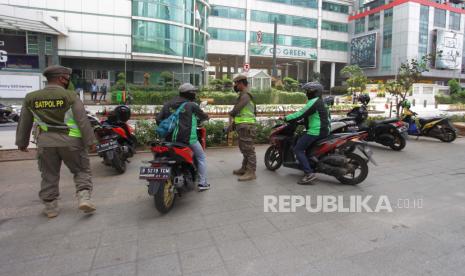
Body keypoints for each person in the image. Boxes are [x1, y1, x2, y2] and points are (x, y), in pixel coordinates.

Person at [15, 65, 97, 218]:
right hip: (72, 143)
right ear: (61, 78)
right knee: (81, 170)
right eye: (67, 78)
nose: (68, 81)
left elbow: (24, 122)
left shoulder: (31, 97)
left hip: (46, 144)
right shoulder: (71, 96)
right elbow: (82, 121)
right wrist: (90, 141)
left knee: (49, 174)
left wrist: (22, 142)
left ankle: (51, 207)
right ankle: (84, 199)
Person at [156, 83, 210, 191]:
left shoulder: (168, 104)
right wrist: (206, 117)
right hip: (187, 140)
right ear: (189, 93)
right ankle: (202, 183)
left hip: (168, 140)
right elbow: (203, 116)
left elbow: (158, 120)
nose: (195, 94)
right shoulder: (191, 105)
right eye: (193, 92)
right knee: (201, 157)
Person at [283, 82, 330, 185]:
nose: (306, 94)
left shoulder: (314, 101)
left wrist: (286, 118)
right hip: (323, 129)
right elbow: (314, 116)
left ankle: (309, 174)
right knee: (305, 147)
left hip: (316, 131)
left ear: (314, 92)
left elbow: (301, 113)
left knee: (298, 149)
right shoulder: (321, 102)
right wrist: (303, 122)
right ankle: (309, 164)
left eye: (308, 91)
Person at [228, 74, 257, 181]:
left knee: (249, 150)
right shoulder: (243, 95)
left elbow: (237, 109)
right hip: (244, 125)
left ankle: (251, 172)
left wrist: (231, 113)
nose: (235, 86)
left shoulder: (246, 95)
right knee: (244, 148)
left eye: (236, 83)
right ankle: (244, 168)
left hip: (247, 126)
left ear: (241, 83)